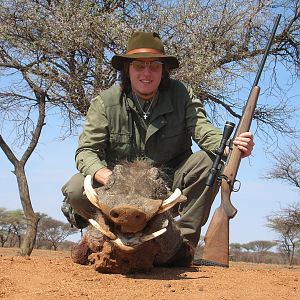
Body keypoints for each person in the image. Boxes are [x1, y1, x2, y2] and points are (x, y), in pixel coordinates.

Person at [61, 32, 254, 252]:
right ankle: (105, 233)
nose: (146, 73)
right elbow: (86, 151)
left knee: (210, 161)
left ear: (163, 71)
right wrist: (108, 177)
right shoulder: (105, 102)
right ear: (127, 70)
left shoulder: (182, 94)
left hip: (166, 186)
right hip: (116, 188)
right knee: (76, 188)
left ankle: (181, 244)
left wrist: (230, 146)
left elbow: (203, 130)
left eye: (154, 66)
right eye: (138, 66)